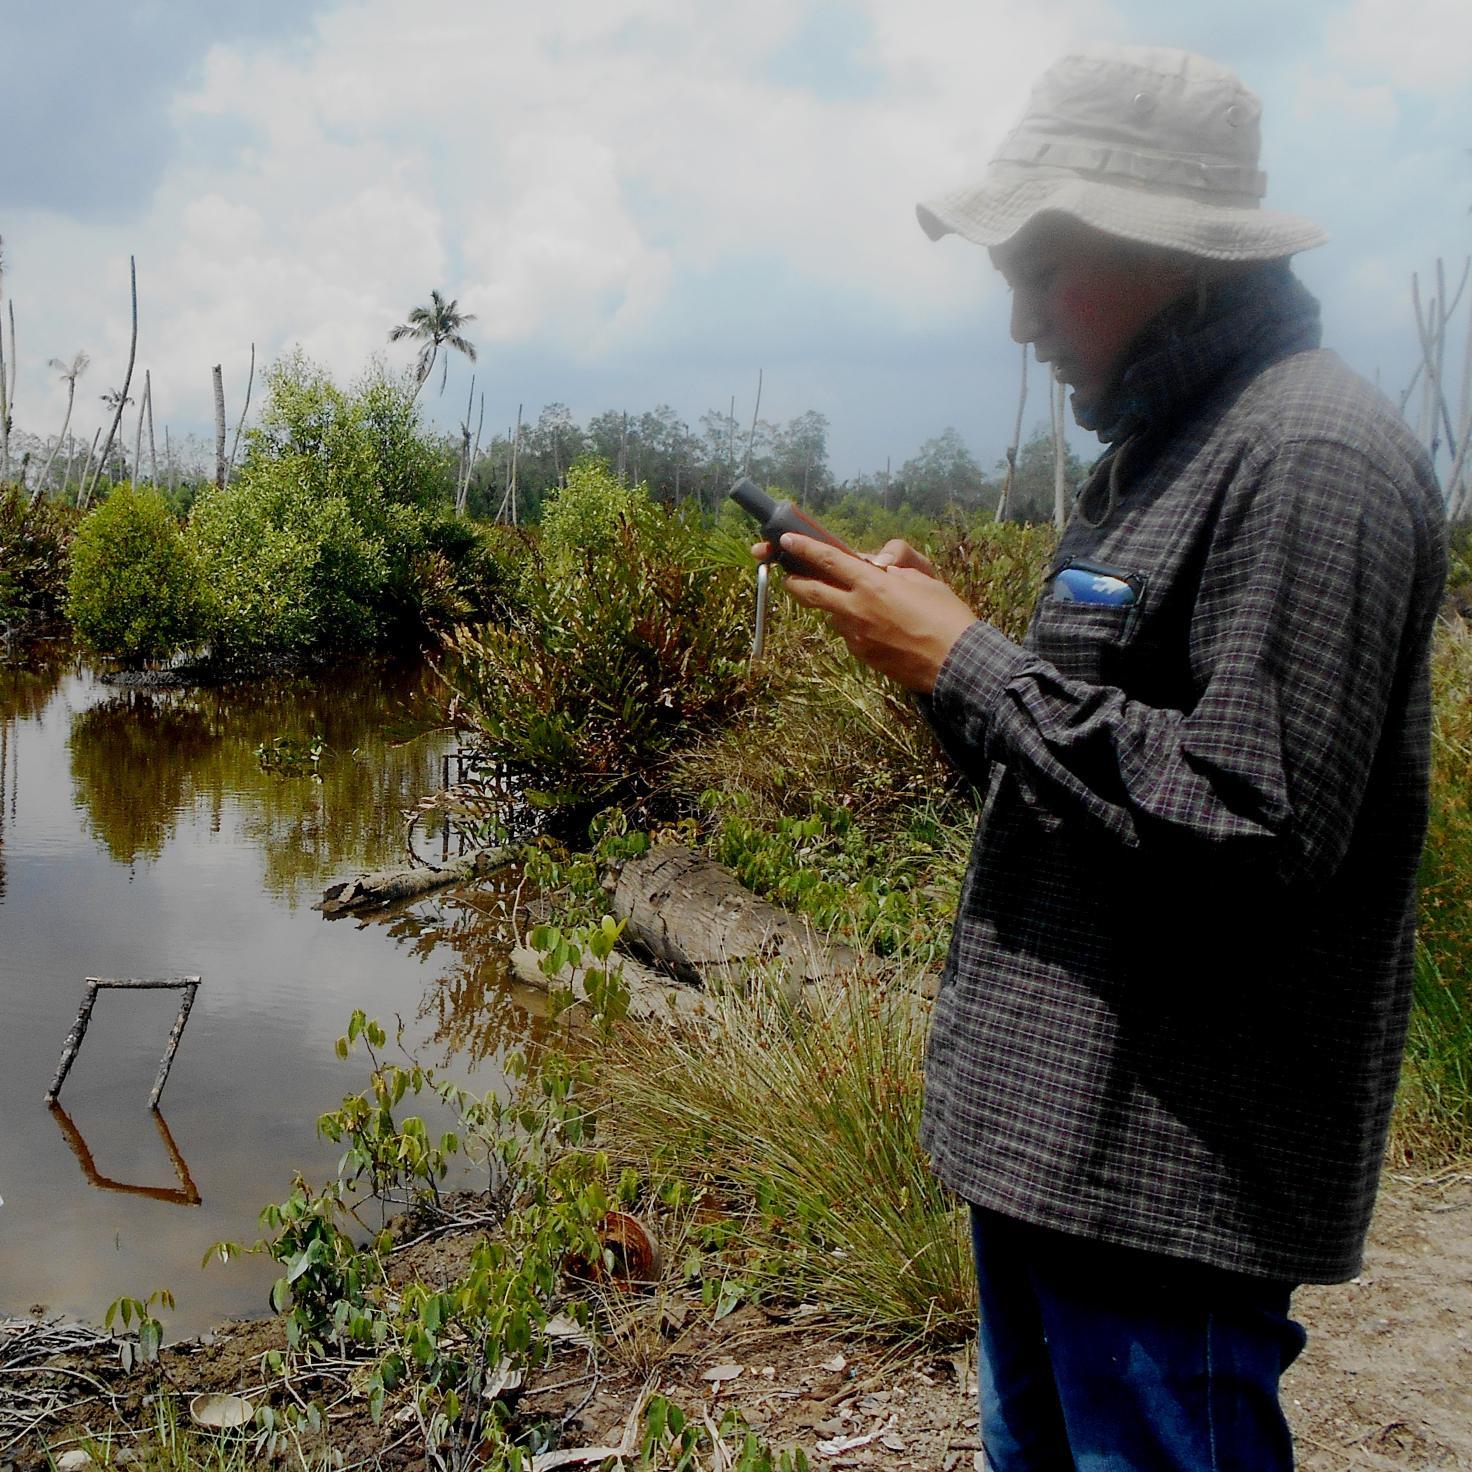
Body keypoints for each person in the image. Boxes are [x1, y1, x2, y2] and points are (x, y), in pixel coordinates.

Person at [762, 45, 1447, 1472]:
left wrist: (970, 658)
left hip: (1164, 1186)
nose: (1019, 324)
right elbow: (1081, 800)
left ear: (1163, 253)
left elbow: (1257, 835)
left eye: (1041, 272)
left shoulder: (1311, 452)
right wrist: (927, 664)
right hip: (1058, 1162)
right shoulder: (1167, 452)